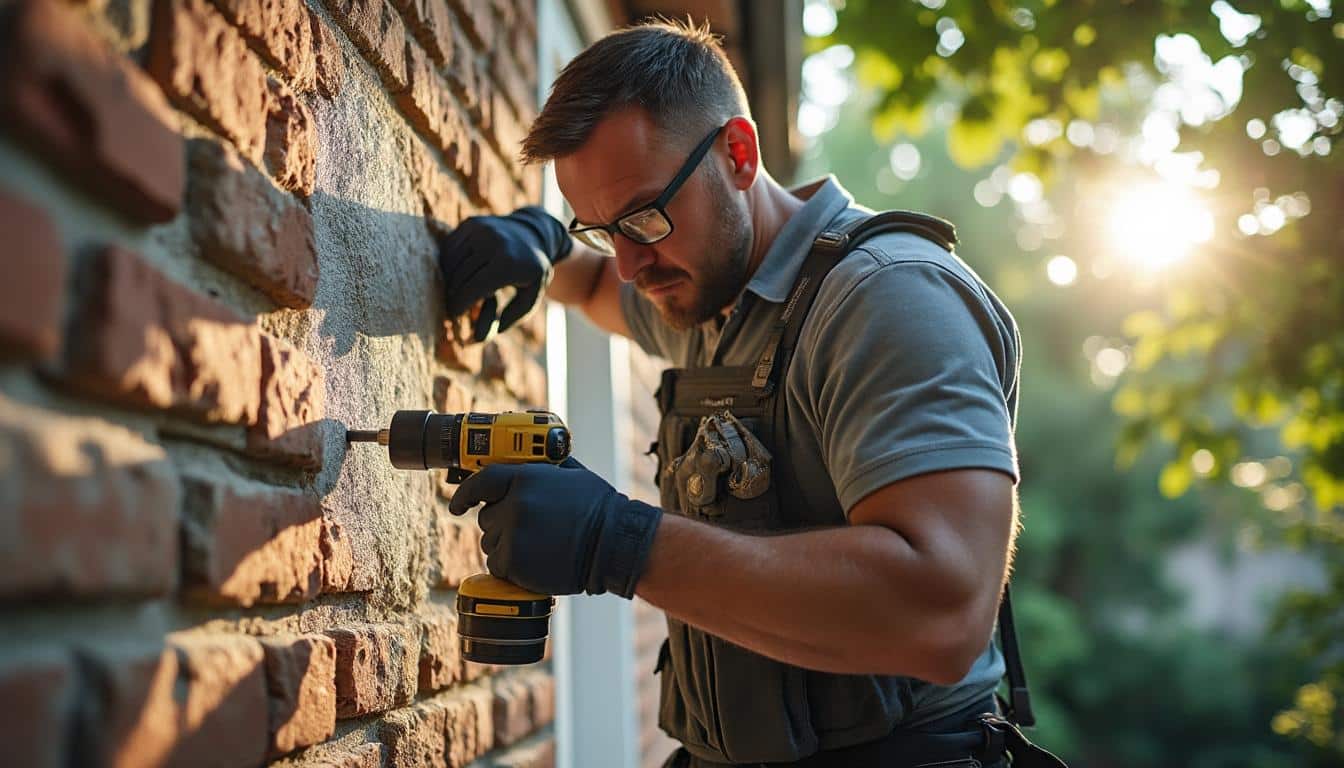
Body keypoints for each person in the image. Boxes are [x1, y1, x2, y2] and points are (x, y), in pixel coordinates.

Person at [441, 19, 1041, 768]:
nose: (630, 266)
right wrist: (538, 241)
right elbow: (594, 283)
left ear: (739, 154)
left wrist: (619, 543)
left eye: (644, 217)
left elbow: (944, 612)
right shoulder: (707, 293)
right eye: (602, 229)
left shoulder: (885, 300)